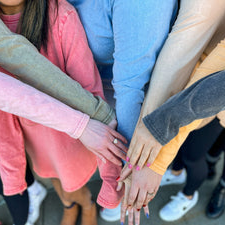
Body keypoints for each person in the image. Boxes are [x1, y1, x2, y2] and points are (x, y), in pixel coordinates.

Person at [118, 0, 225, 224]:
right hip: (214, 89)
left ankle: (216, 189)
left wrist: (157, 148)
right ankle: (189, 172)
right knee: (206, 151)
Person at [0, 1, 126, 225]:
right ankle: (70, 204)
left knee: (71, 184)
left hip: (71, 139)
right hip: (35, 139)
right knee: (52, 177)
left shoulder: (60, 15)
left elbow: (90, 88)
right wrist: (13, 173)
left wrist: (109, 174)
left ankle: (85, 203)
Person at [66, 0, 178, 222]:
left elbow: (130, 87)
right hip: (75, 95)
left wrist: (129, 168)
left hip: (122, 103)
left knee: (113, 175)